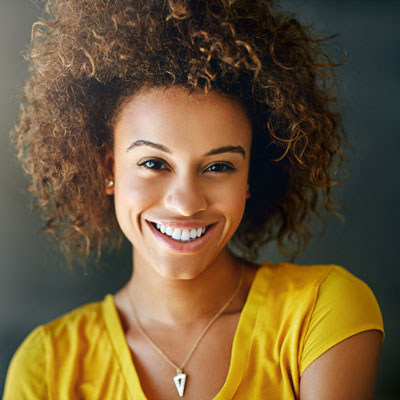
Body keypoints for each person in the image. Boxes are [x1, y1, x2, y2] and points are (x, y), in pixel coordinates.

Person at [3, 0, 384, 399]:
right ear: (109, 169)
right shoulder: (47, 366)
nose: (186, 203)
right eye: (153, 162)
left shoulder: (321, 314)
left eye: (219, 167)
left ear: (251, 177)